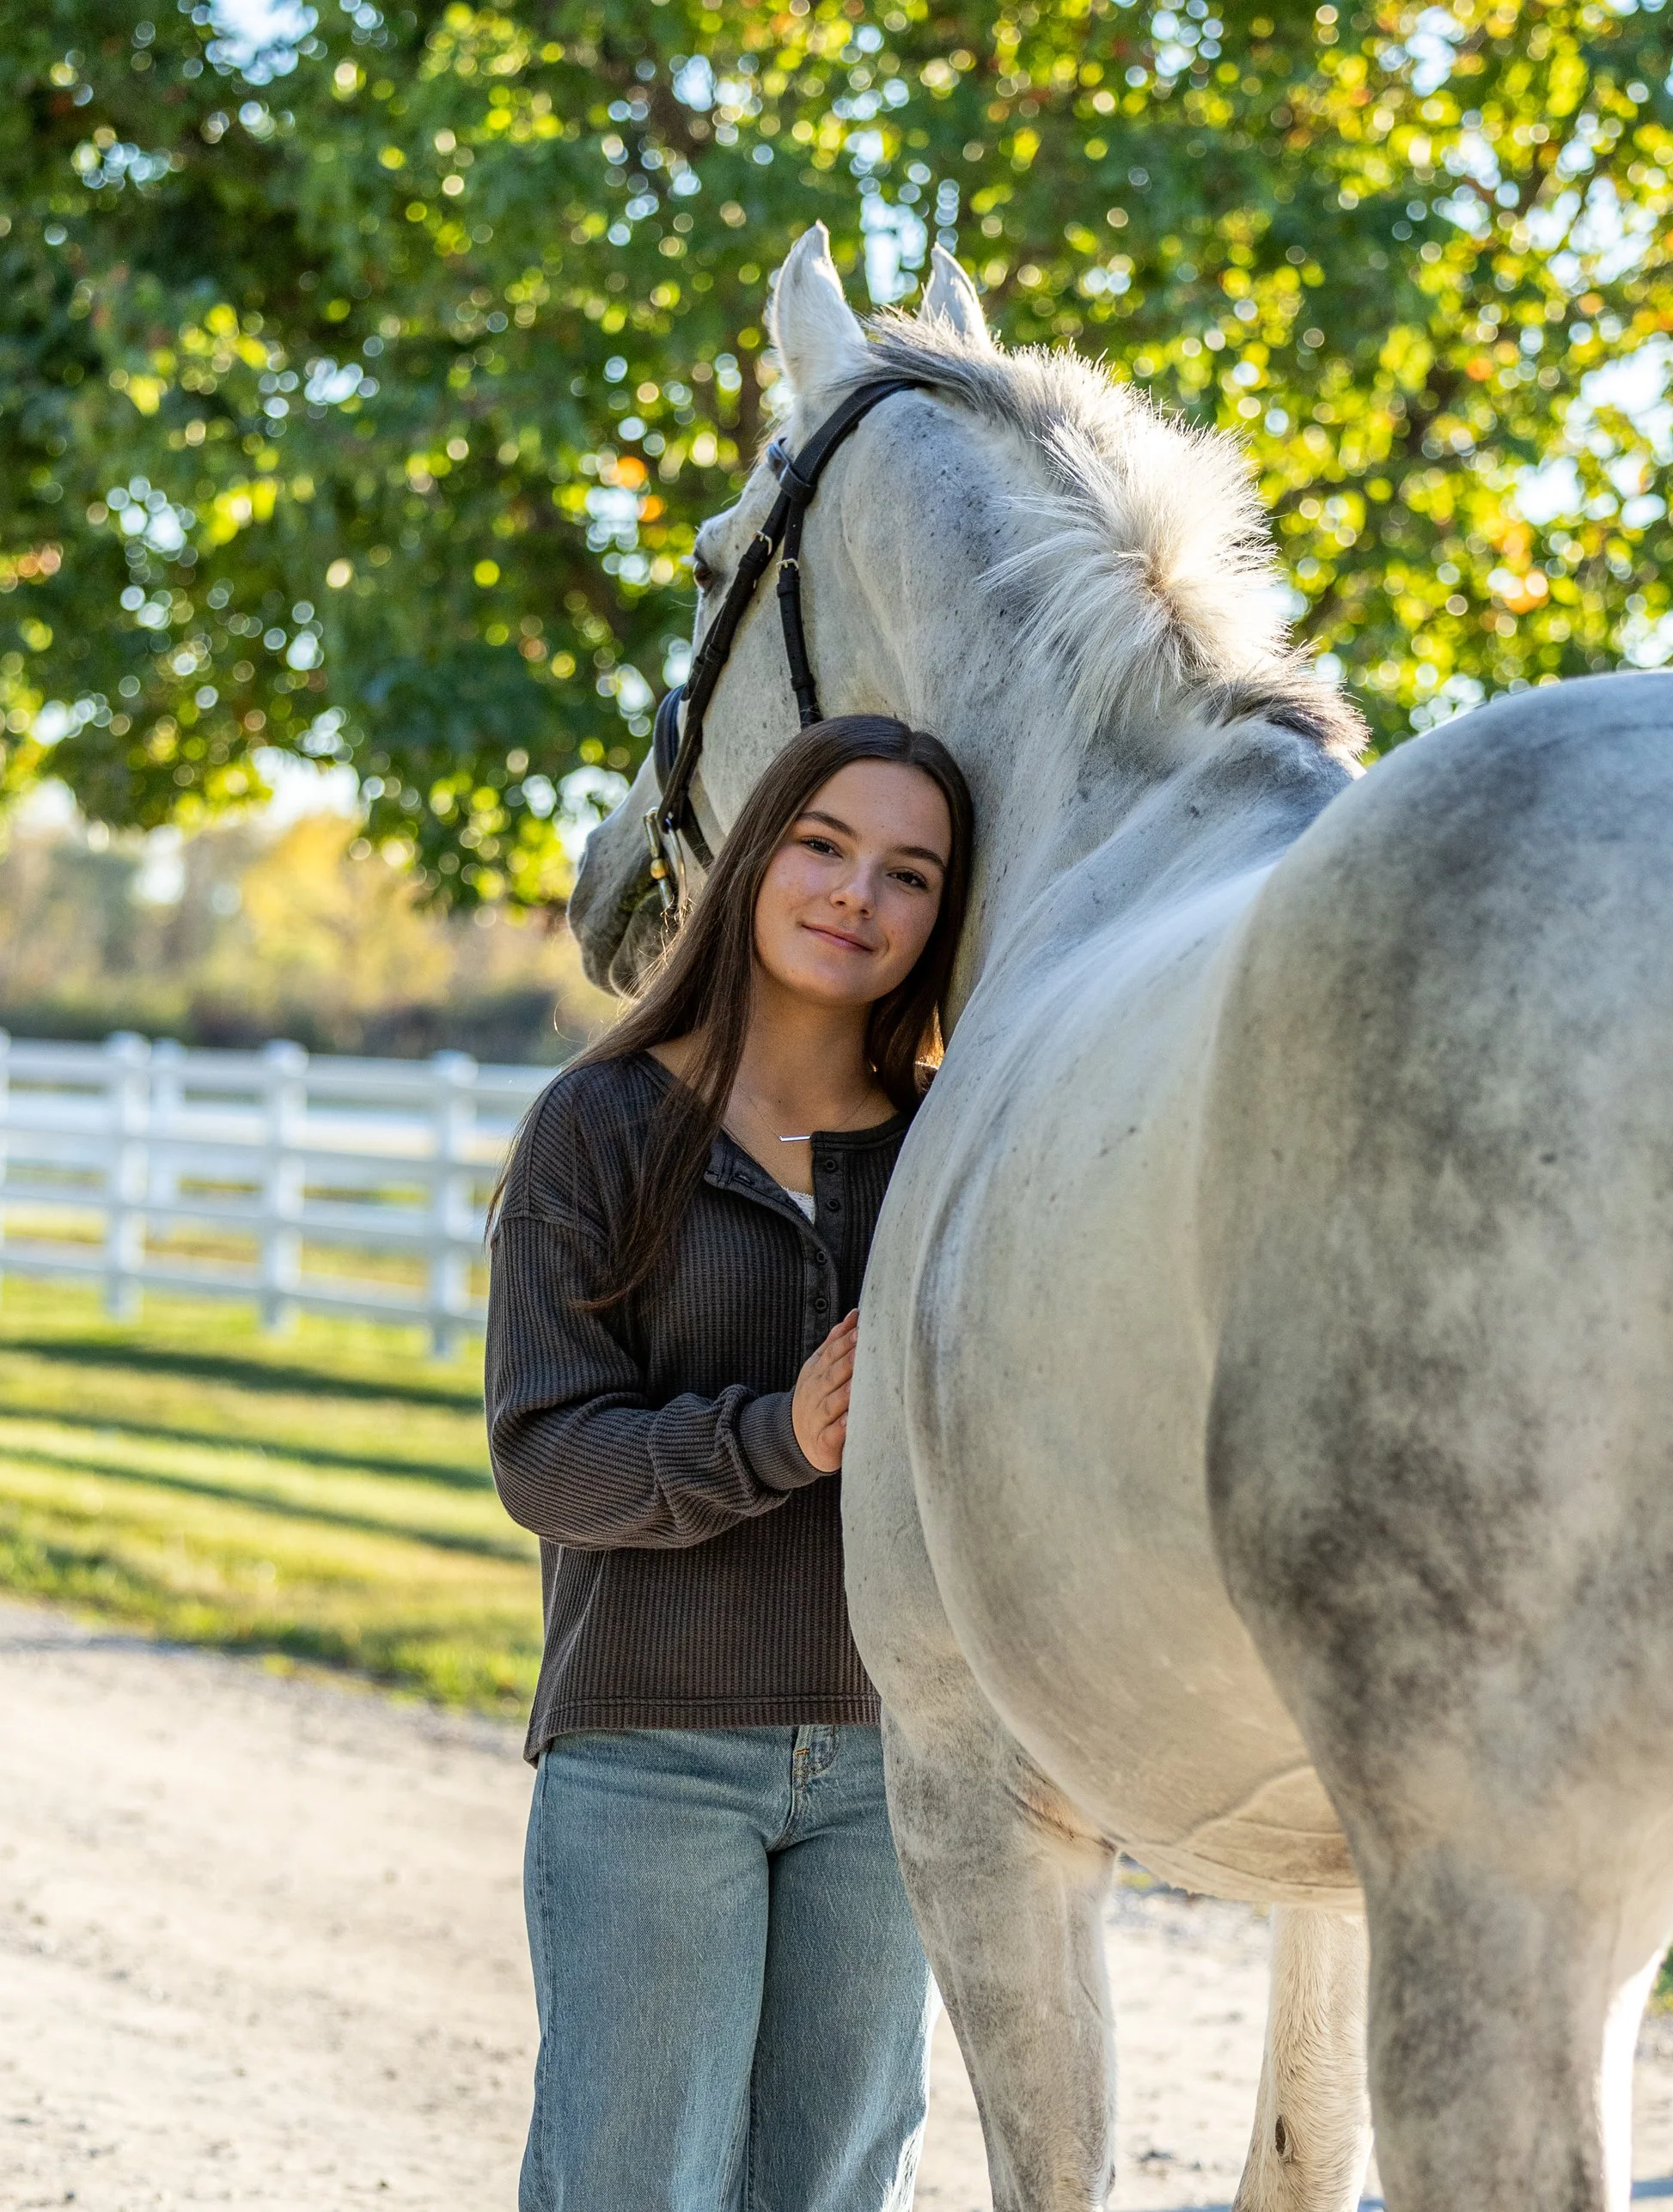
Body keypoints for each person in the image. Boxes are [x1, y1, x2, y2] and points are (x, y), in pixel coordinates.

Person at [485, 713, 975, 2212]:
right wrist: (777, 1436)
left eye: (908, 872)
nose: (856, 895)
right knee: (638, 2185)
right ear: (756, 855)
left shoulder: (956, 1149)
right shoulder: (605, 1126)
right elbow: (546, 1458)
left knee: (836, 2187)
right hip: (653, 1750)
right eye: (824, 845)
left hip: (895, 1765)